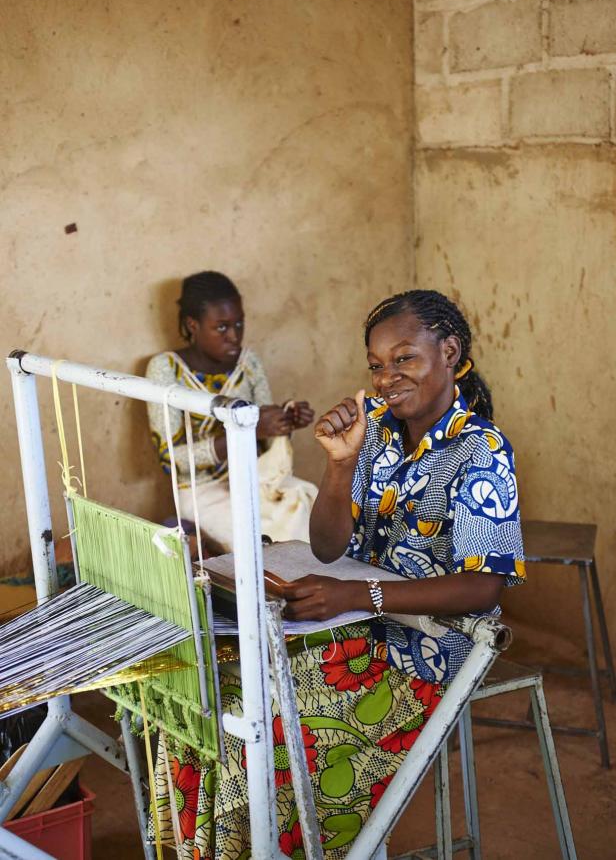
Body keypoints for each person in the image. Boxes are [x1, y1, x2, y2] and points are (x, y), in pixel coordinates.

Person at [153, 288, 525, 859]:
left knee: (270, 727)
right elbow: (328, 547)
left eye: (405, 359)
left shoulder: (480, 450)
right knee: (214, 700)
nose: (386, 379)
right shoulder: (375, 429)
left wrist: (357, 593)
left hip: (428, 649)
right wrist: (340, 462)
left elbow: (483, 586)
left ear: (449, 352)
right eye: (376, 366)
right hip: (359, 629)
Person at [146, 271, 317, 550]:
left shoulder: (248, 363)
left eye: (239, 324)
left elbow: (267, 442)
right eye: (222, 328)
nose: (234, 336)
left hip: (256, 478)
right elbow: (171, 459)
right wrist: (248, 430)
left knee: (309, 508)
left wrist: (284, 420)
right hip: (202, 491)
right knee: (259, 541)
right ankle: (277, 593)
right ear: (193, 325)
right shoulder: (167, 369)